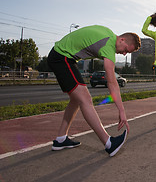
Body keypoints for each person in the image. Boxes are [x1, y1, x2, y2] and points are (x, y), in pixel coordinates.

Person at [47, 25, 141, 157]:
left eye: (127, 53)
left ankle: (61, 139)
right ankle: (109, 143)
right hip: (61, 57)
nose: (124, 54)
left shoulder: (108, 33)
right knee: (86, 99)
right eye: (126, 50)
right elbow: (112, 82)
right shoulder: (109, 46)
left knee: (76, 100)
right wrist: (121, 111)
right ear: (122, 40)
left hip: (63, 56)